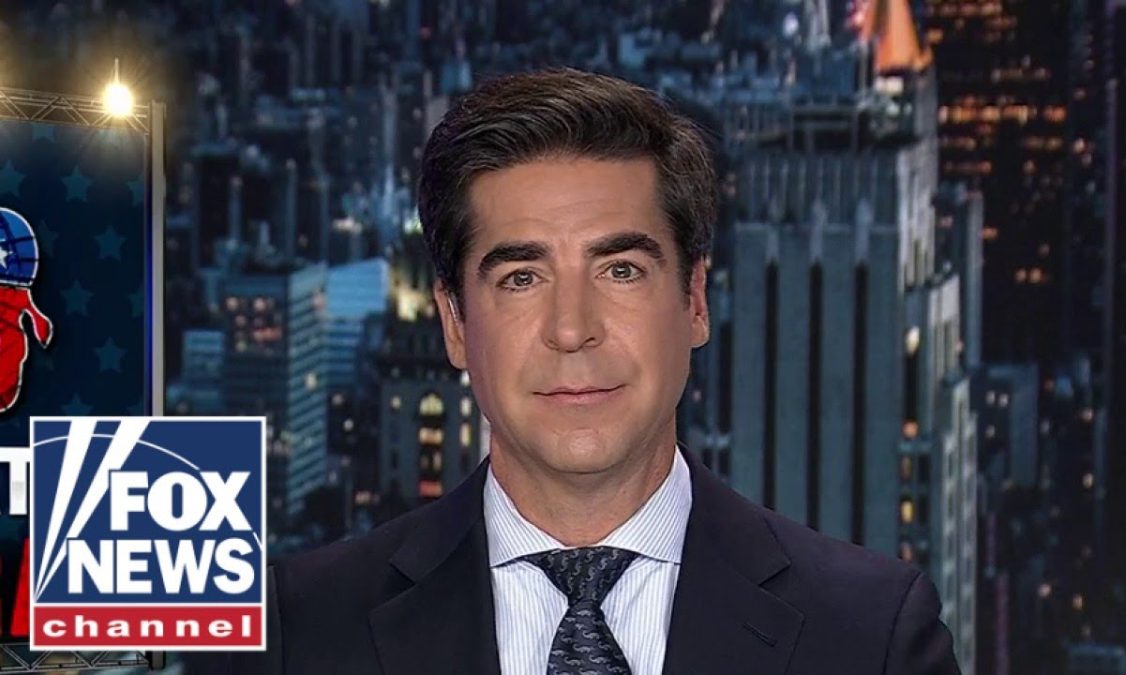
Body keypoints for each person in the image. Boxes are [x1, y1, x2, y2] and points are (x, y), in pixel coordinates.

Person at [199, 67, 960, 675]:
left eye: (620, 270)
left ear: (694, 301)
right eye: (521, 278)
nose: (572, 329)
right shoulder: (298, 631)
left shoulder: (871, 635)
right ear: (455, 323)